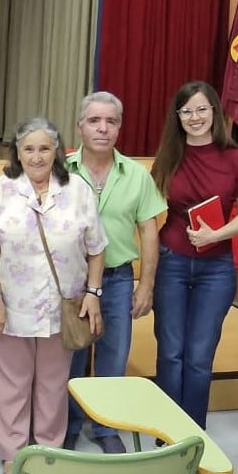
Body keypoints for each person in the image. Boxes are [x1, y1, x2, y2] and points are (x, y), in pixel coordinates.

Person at [0, 117, 106, 474]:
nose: (36, 157)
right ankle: (13, 451)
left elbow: (96, 248)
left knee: (54, 383)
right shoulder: (1, 188)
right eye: (29, 149)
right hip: (11, 305)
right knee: (10, 383)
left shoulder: (78, 190)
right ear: (17, 152)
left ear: (58, 151)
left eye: (44, 148)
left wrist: (93, 294)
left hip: (62, 306)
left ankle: (50, 449)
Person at [64, 91, 167, 452]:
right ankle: (69, 423)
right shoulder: (62, 172)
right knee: (72, 357)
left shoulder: (137, 176)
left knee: (113, 357)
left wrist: (147, 284)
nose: (103, 128)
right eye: (94, 120)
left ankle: (105, 427)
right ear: (80, 127)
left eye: (111, 121)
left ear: (119, 128)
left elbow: (149, 230)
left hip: (119, 279)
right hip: (72, 283)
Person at [151, 81, 238, 429]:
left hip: (217, 268)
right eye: (186, 111)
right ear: (177, 116)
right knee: (170, 351)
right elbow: (148, 208)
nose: (194, 117)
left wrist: (216, 234)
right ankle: (166, 430)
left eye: (201, 109)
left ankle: (192, 433)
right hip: (172, 261)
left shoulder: (235, 158)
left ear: (214, 111)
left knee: (198, 356)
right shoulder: (168, 155)